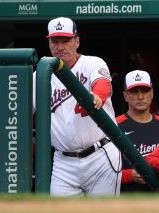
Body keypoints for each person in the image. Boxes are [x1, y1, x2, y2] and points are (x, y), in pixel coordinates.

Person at [32, 17, 122, 196]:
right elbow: (16, 115)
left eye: (66, 41)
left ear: (77, 41)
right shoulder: (38, 77)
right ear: (49, 43)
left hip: (101, 155)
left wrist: (97, 97)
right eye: (54, 41)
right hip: (63, 161)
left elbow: (102, 83)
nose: (60, 46)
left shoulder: (92, 63)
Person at [116, 70, 159, 192]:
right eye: (134, 91)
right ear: (125, 96)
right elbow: (98, 171)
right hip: (127, 201)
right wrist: (129, 176)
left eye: (145, 91)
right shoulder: (114, 126)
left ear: (152, 93)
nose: (140, 97)